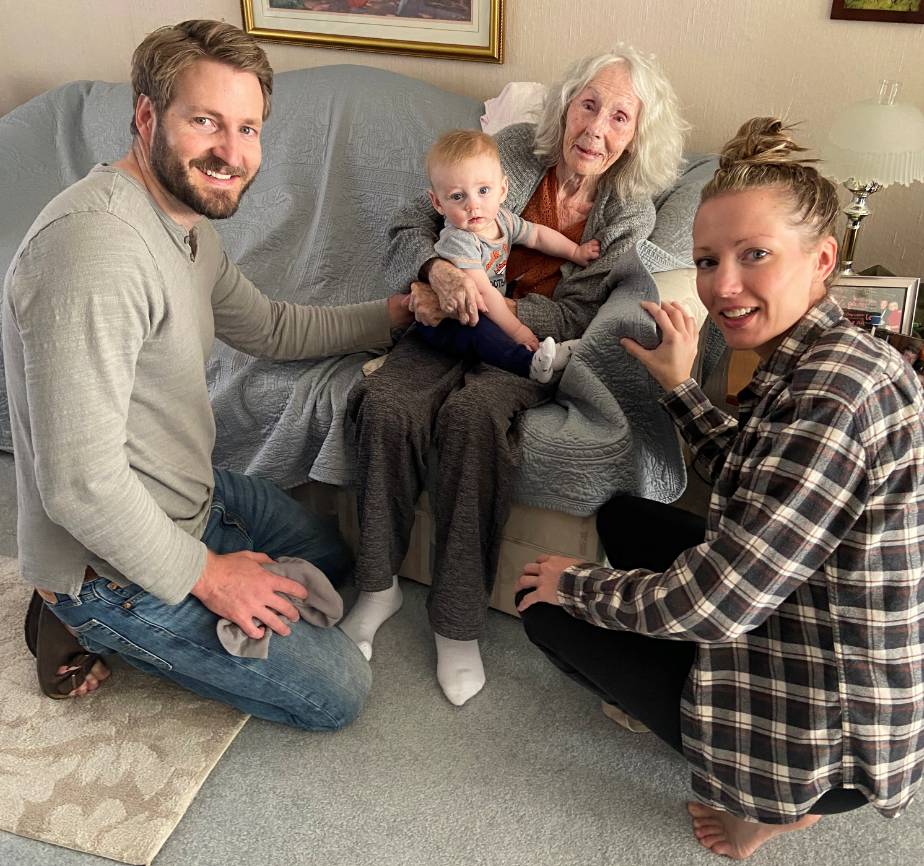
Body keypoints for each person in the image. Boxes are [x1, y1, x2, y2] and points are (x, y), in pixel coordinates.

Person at [514, 118, 924, 858]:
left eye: (754, 255)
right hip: (804, 610)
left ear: (822, 258)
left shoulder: (833, 396)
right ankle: (736, 755)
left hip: (829, 727)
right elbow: (755, 472)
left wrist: (578, 587)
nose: (722, 286)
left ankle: (770, 806)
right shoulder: (828, 352)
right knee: (625, 518)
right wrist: (677, 386)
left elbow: (719, 600)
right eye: (707, 260)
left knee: (544, 612)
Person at [4, 20, 413, 728]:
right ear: (145, 116)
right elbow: (78, 485)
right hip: (107, 562)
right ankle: (67, 615)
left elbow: (272, 327)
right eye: (205, 121)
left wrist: (397, 314)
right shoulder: (92, 253)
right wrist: (211, 578)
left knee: (336, 559)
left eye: (248, 128)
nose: (231, 152)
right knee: (338, 693)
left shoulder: (184, 224)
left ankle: (188, 575)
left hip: (190, 495)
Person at [340, 45, 686, 706]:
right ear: (566, 106)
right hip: (443, 320)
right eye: (589, 104)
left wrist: (493, 310)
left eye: (620, 116)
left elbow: (584, 310)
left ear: (636, 134)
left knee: (474, 422)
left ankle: (456, 621)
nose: (596, 127)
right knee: (386, 403)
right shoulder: (514, 151)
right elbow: (414, 223)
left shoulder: (628, 212)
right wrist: (438, 274)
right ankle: (377, 585)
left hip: (530, 345)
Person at [420, 129, 599, 383]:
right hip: (446, 319)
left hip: (488, 306)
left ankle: (549, 355)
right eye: (458, 196)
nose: (473, 205)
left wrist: (575, 251)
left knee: (491, 325)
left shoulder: (502, 219)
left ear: (503, 189)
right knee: (481, 330)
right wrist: (518, 330)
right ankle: (529, 364)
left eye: (483, 190)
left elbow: (536, 235)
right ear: (437, 203)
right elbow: (484, 294)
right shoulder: (459, 240)